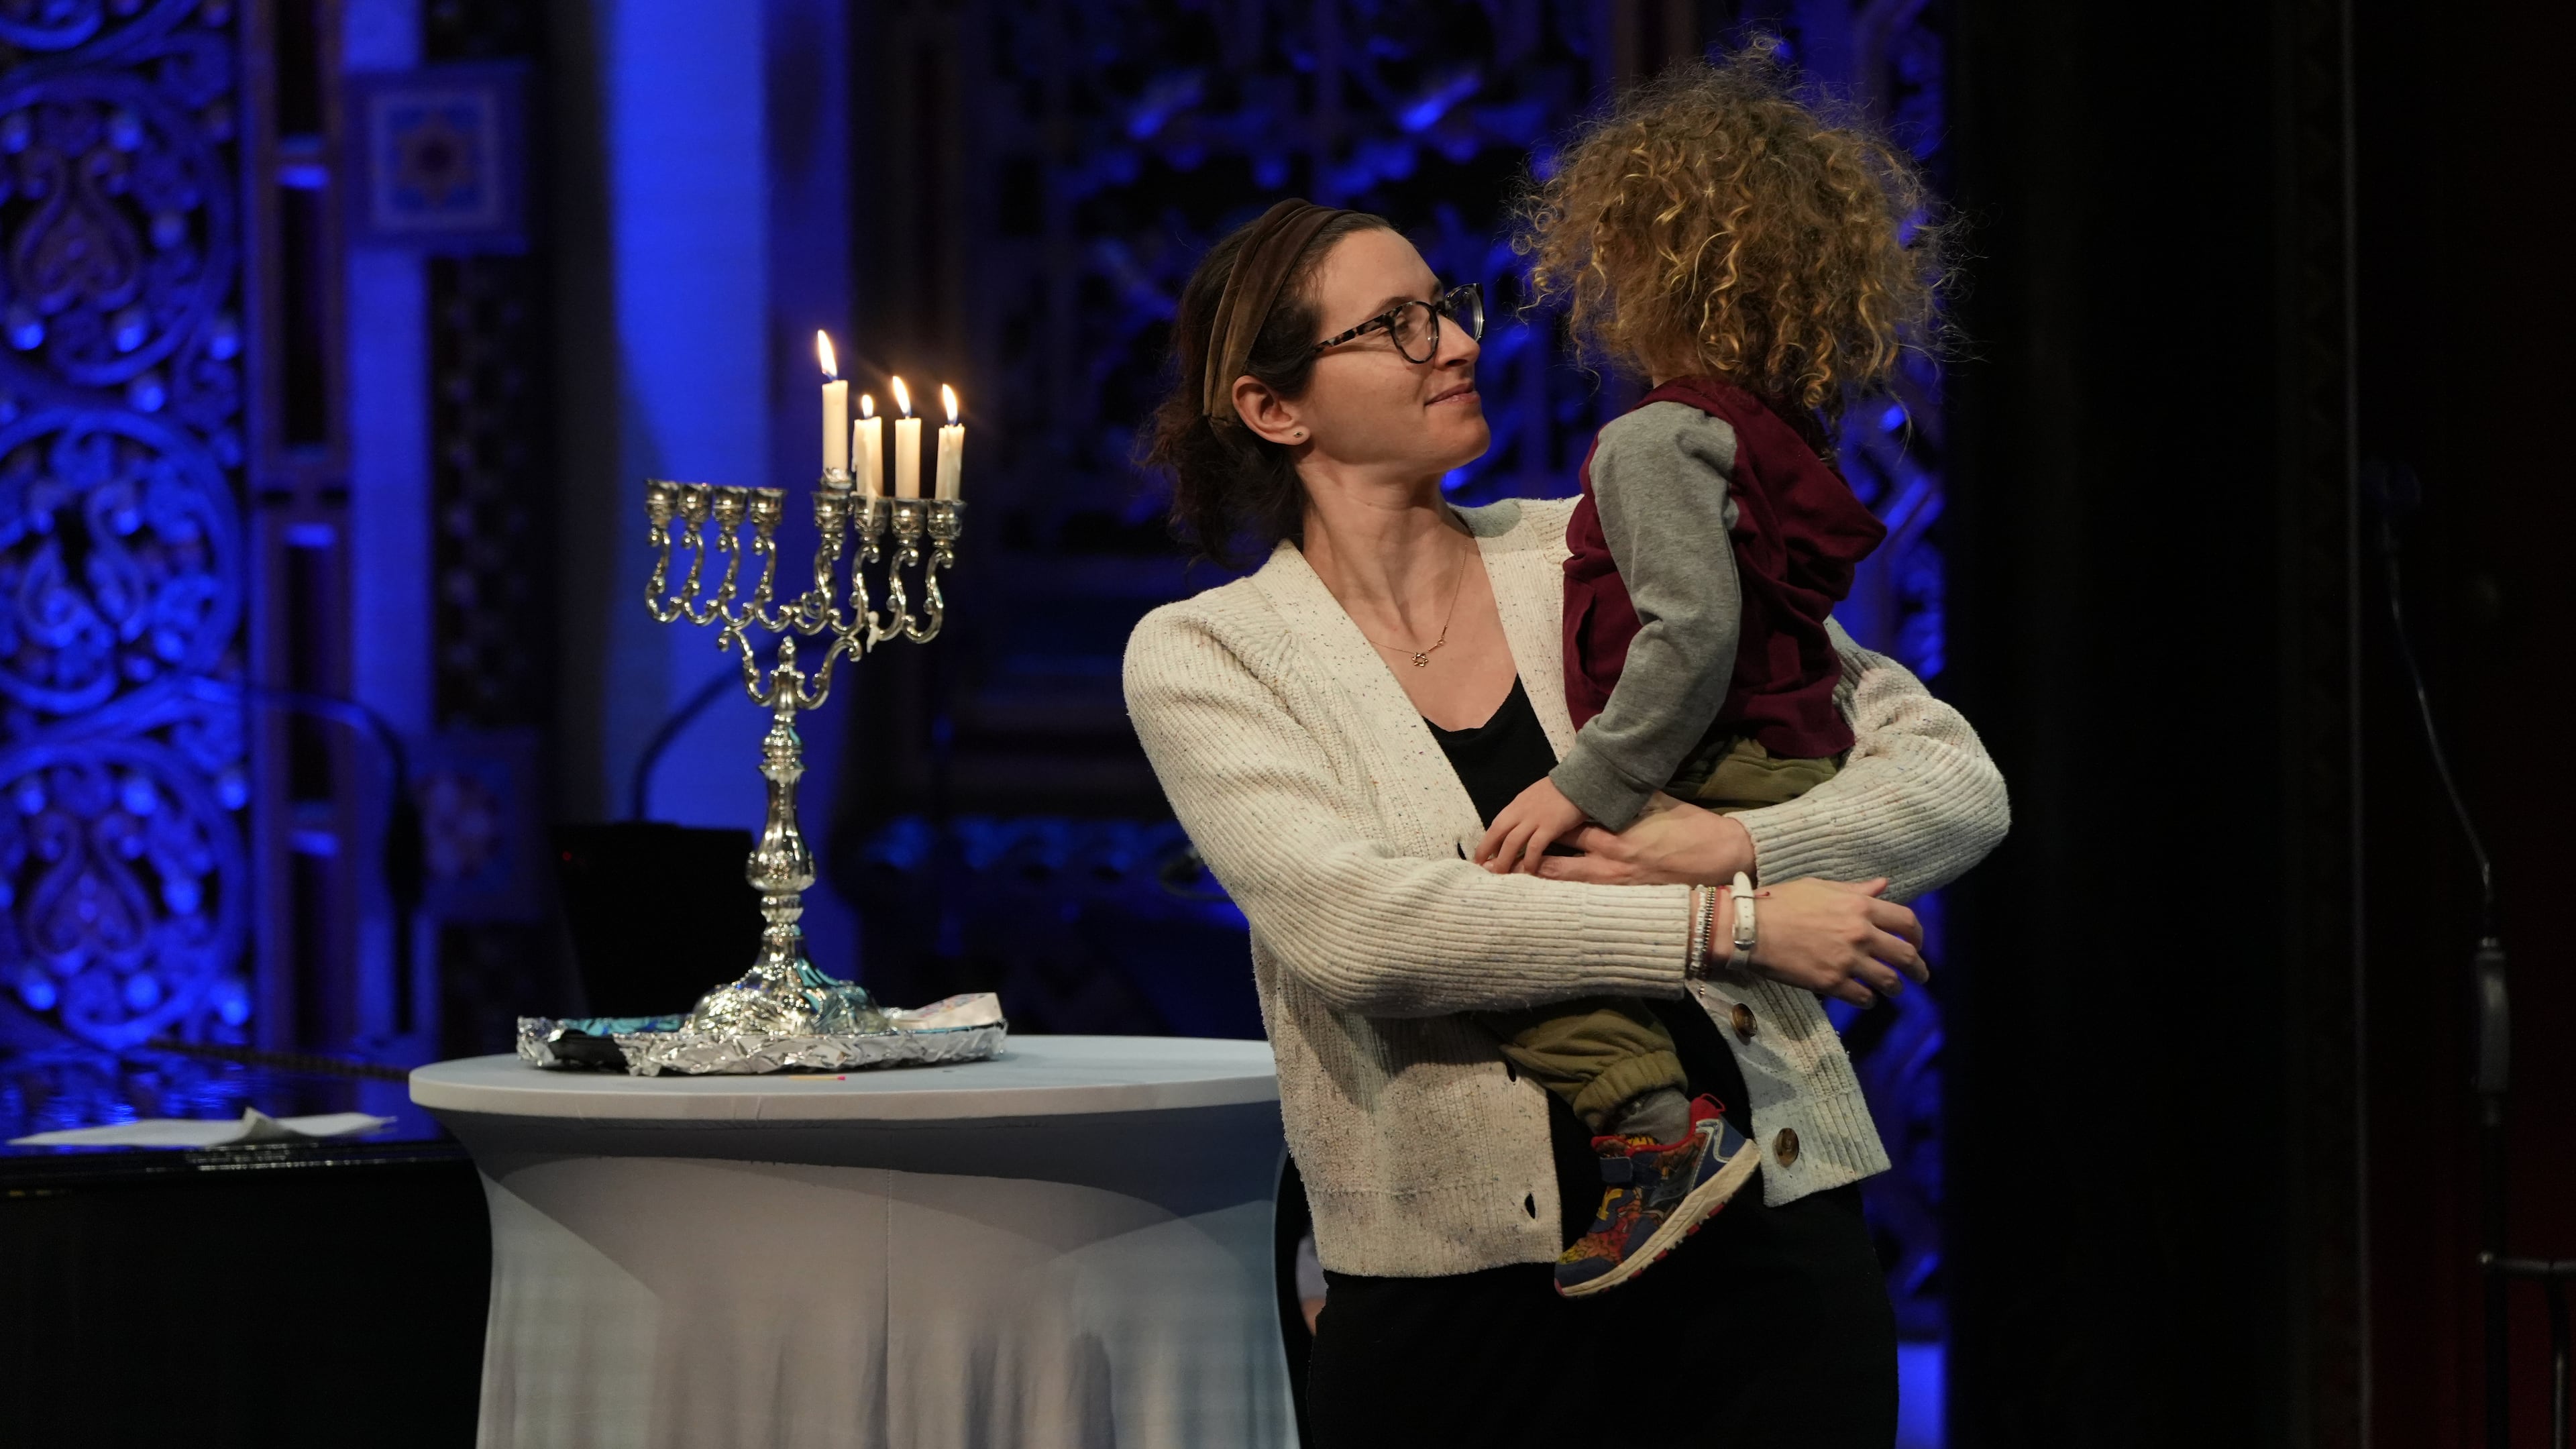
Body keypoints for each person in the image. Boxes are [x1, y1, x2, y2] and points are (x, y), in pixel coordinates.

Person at [1125, 186, 2002, 1449]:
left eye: (1449, 308)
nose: (1461, 343)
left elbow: (1955, 779)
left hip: (1771, 1251)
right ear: (1273, 408)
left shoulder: (1589, 546)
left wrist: (1745, 844)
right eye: (1398, 325)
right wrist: (1727, 926)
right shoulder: (1212, 652)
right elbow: (1368, 933)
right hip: (1462, 1301)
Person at [1460, 50, 1954, 1297]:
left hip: (1714, 759)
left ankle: (1653, 1131)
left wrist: (1591, 786)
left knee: (1514, 928)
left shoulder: (1654, 440)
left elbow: (1689, 636)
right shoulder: (1777, 440)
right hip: (1789, 755)